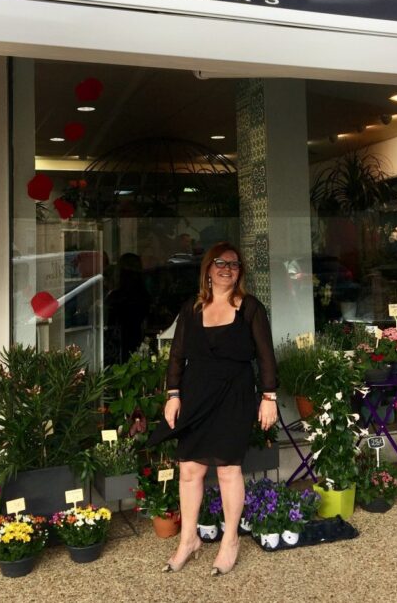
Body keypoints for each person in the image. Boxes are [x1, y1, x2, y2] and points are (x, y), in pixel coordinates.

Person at [147, 241, 277, 576]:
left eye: (233, 264)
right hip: (196, 395)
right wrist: (173, 395)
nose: (227, 269)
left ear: (240, 272)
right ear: (207, 268)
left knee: (228, 470)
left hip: (235, 395)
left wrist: (269, 398)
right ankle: (188, 540)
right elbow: (177, 355)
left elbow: (266, 355)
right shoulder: (191, 309)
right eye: (220, 263)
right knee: (190, 469)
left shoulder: (250, 308)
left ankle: (230, 541)